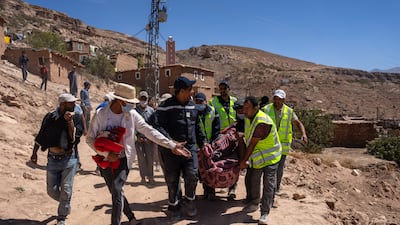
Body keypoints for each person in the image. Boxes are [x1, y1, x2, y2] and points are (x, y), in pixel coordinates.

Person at [86, 82, 191, 225]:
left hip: (124, 158)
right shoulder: (101, 115)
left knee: (117, 188)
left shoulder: (132, 114)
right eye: (129, 102)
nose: (132, 105)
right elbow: (90, 139)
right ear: (120, 101)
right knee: (115, 191)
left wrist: (171, 145)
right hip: (105, 159)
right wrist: (105, 154)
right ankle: (131, 218)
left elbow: (149, 131)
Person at [155, 76, 207, 217]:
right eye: (189, 90)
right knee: (172, 179)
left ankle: (189, 202)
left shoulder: (192, 105)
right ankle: (173, 207)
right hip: (171, 150)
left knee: (192, 175)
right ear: (182, 91)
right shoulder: (165, 106)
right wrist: (171, 142)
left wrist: (203, 143)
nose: (192, 92)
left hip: (190, 149)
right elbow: (157, 126)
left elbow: (197, 126)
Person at [34, 93, 84, 225]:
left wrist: (69, 122)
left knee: (66, 189)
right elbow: (41, 134)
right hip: (52, 159)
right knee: (52, 191)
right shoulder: (50, 117)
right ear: (62, 105)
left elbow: (73, 138)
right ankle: (65, 205)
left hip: (69, 159)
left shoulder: (77, 118)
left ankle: (61, 217)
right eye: (71, 103)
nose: (74, 105)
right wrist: (34, 153)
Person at [240, 96, 282, 225]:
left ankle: (264, 213)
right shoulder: (249, 118)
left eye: (247, 108)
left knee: (268, 184)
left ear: (256, 108)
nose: (244, 111)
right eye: (244, 108)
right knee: (254, 180)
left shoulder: (262, 122)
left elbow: (252, 144)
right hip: (258, 158)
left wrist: (243, 161)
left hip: (271, 157)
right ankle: (254, 202)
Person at [262, 89, 308, 198]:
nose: (277, 101)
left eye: (279, 99)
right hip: (269, 145)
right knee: (268, 169)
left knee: (279, 168)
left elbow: (298, 123)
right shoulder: (266, 109)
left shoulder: (289, 111)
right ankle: (268, 190)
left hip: (283, 146)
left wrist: (304, 134)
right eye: (275, 98)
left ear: (284, 100)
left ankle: (276, 189)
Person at [209, 80, 238, 199]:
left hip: (233, 136)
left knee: (233, 163)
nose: (222, 90)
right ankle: (211, 190)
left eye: (224, 88)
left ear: (229, 89)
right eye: (220, 88)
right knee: (214, 162)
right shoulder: (213, 102)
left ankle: (232, 189)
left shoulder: (234, 101)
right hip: (218, 137)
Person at [194, 92, 220, 201]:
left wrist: (212, 144)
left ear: (205, 102)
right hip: (197, 147)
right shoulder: (193, 113)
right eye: (197, 101)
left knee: (210, 169)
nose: (199, 104)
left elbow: (216, 129)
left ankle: (211, 191)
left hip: (210, 147)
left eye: (201, 101)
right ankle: (201, 191)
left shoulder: (213, 111)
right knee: (200, 171)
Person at [135, 90, 156, 184]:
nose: (143, 100)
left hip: (149, 139)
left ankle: (151, 177)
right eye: (141, 99)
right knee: (141, 158)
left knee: (150, 158)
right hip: (138, 139)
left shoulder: (151, 111)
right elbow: (133, 125)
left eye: (145, 99)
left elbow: (154, 126)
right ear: (139, 99)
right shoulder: (134, 111)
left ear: (147, 99)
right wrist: (136, 136)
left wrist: (150, 138)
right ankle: (143, 177)